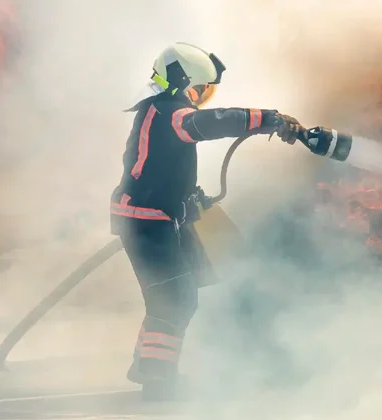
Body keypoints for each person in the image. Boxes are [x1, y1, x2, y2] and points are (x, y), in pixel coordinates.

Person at [109, 42, 302, 401]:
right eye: (200, 89)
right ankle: (156, 381)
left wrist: (186, 197)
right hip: (147, 221)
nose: (202, 97)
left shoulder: (159, 109)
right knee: (174, 298)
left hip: (158, 217)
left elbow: (160, 163)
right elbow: (211, 123)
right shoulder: (169, 111)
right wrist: (269, 119)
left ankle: (153, 367)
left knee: (185, 290)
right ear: (183, 82)